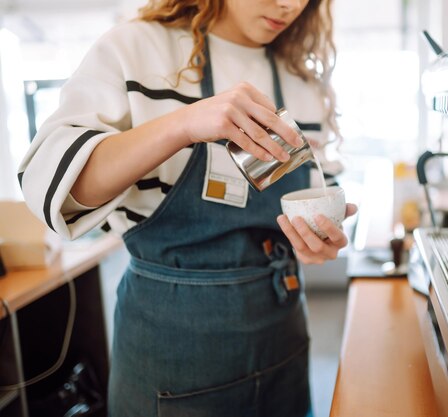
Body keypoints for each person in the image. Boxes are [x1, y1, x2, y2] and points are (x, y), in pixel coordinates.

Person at [18, 0, 357, 416]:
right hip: (171, 344)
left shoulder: (300, 77)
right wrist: (182, 125)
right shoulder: (138, 50)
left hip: (282, 334)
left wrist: (323, 236)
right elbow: (49, 183)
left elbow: (324, 181)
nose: (288, 4)